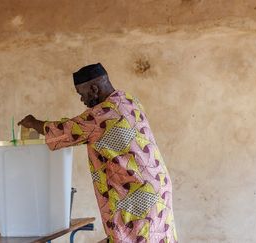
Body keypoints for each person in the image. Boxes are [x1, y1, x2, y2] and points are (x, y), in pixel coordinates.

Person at [18, 63, 177, 243]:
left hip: (136, 192)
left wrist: (33, 122)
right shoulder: (128, 100)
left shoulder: (101, 114)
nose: (82, 100)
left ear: (94, 88)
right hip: (157, 186)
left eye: (82, 94)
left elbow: (65, 130)